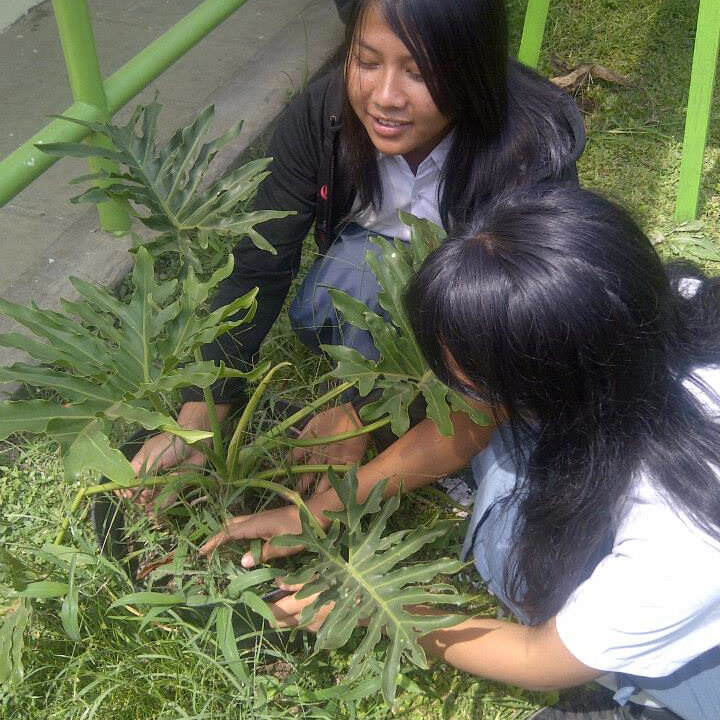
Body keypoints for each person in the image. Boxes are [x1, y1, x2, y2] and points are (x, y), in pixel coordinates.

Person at [263, 186, 720, 720]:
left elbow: (543, 656)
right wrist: (325, 506)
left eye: (472, 384)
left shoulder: (680, 533)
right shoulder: (661, 303)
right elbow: (478, 420)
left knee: (518, 561)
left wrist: (380, 611)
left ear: (554, 389)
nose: (446, 392)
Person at [123, 0, 584, 506]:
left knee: (522, 460)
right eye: (366, 62)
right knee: (355, 276)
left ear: (470, 68)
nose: (385, 98)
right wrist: (201, 414)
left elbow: (514, 312)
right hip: (362, 279)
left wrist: (358, 410)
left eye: (420, 72)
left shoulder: (525, 147)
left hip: (470, 302)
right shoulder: (322, 117)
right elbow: (262, 261)